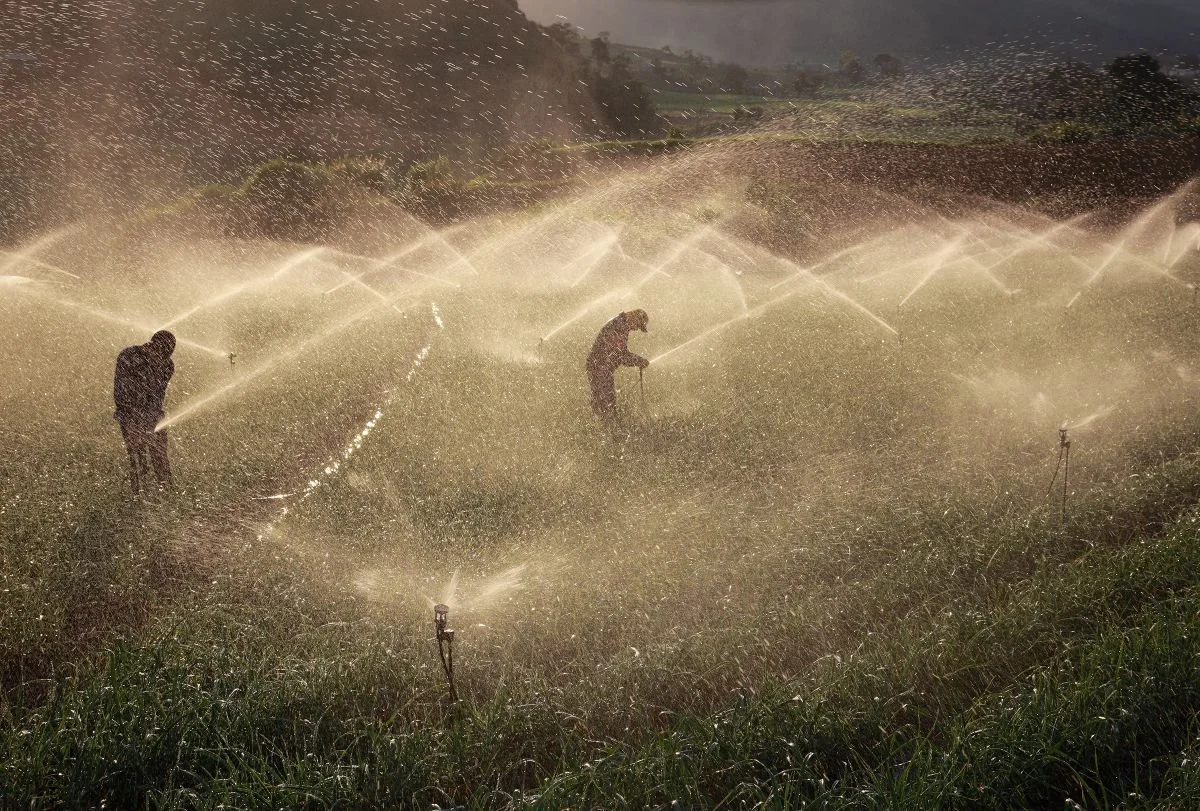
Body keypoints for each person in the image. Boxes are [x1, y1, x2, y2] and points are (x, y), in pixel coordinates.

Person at [113, 330, 176, 494]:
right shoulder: (128, 356)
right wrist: (132, 422)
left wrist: (150, 420)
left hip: (153, 415)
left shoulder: (167, 365)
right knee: (138, 459)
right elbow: (121, 392)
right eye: (160, 354)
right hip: (129, 415)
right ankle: (139, 497)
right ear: (152, 345)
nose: (163, 359)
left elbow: (155, 394)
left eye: (166, 356)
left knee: (160, 458)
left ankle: (167, 493)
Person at [586, 309, 649, 426]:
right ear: (634, 317)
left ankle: (600, 427)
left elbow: (619, 354)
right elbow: (621, 355)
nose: (635, 329)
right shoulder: (618, 327)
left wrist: (637, 361)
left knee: (603, 401)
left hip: (601, 367)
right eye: (637, 325)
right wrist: (639, 361)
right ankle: (605, 429)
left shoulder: (620, 324)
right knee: (606, 403)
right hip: (600, 367)